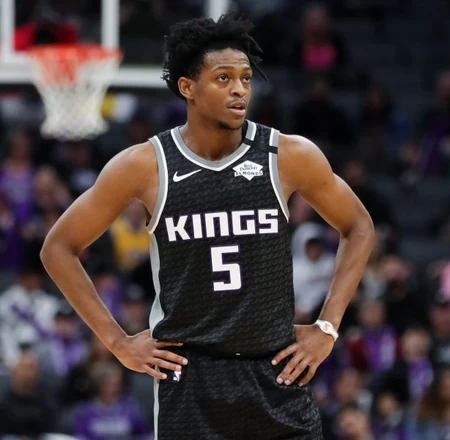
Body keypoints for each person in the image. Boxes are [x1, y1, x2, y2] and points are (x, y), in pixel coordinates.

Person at [40, 14, 374, 439]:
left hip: (277, 371)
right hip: (190, 378)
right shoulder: (146, 165)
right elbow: (58, 248)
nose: (239, 89)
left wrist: (327, 326)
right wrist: (117, 342)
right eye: (223, 78)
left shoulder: (287, 155)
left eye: (246, 78)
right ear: (188, 87)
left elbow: (359, 226)